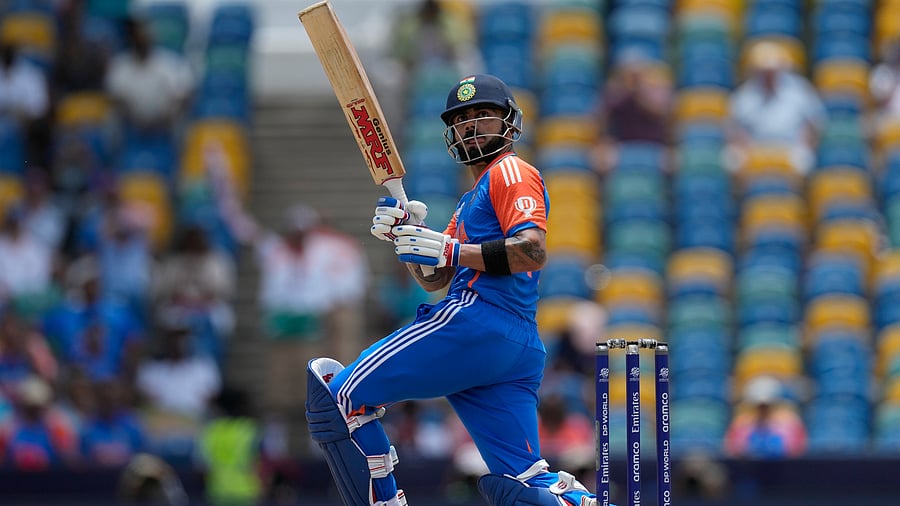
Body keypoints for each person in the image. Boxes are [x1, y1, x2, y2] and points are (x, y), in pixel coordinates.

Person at [306, 74, 598, 506]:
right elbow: (436, 277)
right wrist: (408, 238)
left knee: (337, 394)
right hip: (514, 346)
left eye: (483, 115)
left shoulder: (511, 171)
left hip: (477, 322)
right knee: (522, 481)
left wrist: (451, 248)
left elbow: (531, 251)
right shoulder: (468, 201)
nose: (472, 125)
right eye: (462, 120)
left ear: (508, 123)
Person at [727, 40, 827, 175]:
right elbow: (737, 131)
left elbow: (814, 124)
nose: (768, 75)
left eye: (772, 71)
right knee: (731, 160)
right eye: (764, 71)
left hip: (792, 149)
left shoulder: (800, 91)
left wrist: (805, 144)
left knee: (804, 161)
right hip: (755, 150)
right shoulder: (744, 96)